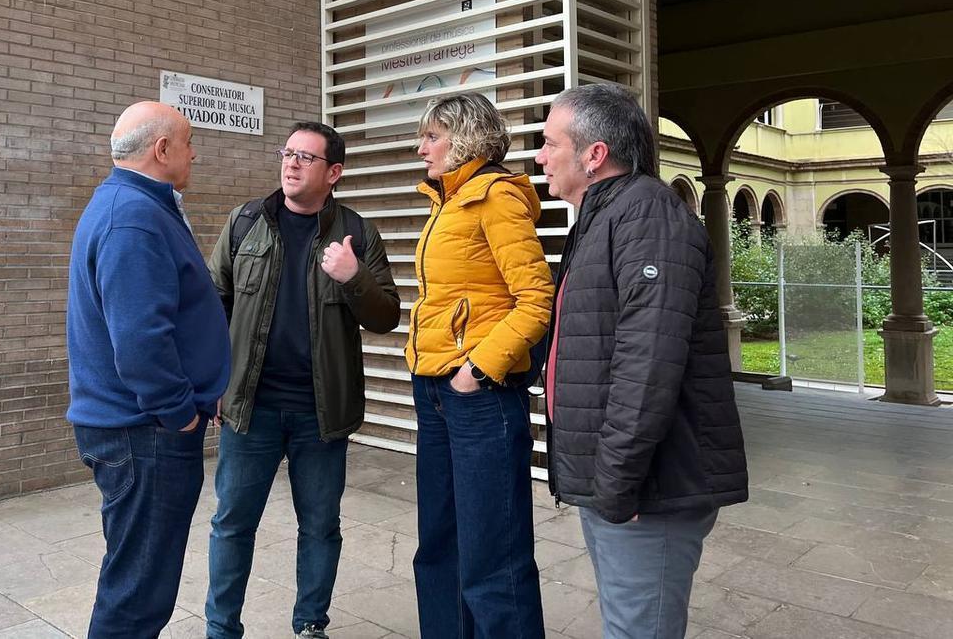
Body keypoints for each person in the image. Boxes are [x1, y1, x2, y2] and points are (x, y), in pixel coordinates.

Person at [536, 83, 749, 639]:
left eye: (549, 144)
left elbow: (647, 363)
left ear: (594, 154)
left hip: (648, 487)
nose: (540, 158)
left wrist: (617, 480)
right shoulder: (605, 218)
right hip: (616, 481)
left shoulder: (647, 218)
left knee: (639, 630)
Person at [205, 121, 400, 639]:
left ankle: (310, 623)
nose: (290, 164)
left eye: (305, 157)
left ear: (333, 172)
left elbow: (386, 316)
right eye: (287, 153)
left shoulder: (357, 232)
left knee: (319, 526)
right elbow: (211, 306)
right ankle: (221, 628)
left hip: (321, 412)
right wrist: (212, 385)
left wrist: (352, 276)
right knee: (232, 524)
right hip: (251, 407)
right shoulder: (246, 222)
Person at [66, 101, 230, 639]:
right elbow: (140, 342)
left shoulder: (135, 204)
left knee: (138, 581)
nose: (194, 153)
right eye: (187, 143)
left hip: (141, 430)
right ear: (162, 149)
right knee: (138, 594)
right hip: (145, 433)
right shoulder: (132, 217)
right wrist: (179, 414)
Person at [408, 92, 553, 638]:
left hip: (480, 396)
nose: (421, 148)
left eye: (432, 137)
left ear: (465, 137)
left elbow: (536, 299)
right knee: (439, 544)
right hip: (435, 388)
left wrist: (479, 370)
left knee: (494, 555)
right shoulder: (445, 200)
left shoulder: (495, 198)